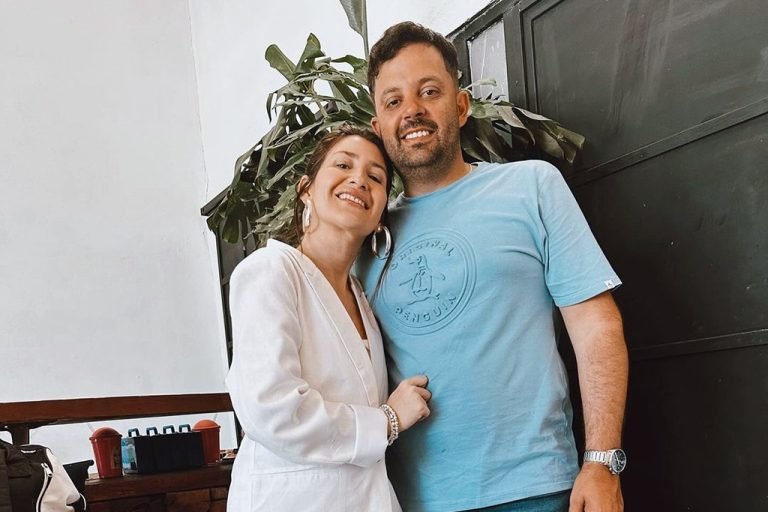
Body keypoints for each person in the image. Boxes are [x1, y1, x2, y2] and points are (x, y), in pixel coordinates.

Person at [355, 22, 629, 512]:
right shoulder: (365, 238)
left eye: (429, 91)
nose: (412, 110)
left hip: (537, 490)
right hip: (412, 500)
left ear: (461, 106)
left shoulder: (532, 187)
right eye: (393, 100)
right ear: (379, 128)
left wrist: (602, 461)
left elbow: (595, 326)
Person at [225, 125, 432, 512]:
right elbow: (273, 409)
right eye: (343, 165)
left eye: (375, 177)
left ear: (381, 215)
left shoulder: (363, 300)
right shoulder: (271, 272)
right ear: (306, 189)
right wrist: (387, 420)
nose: (359, 180)